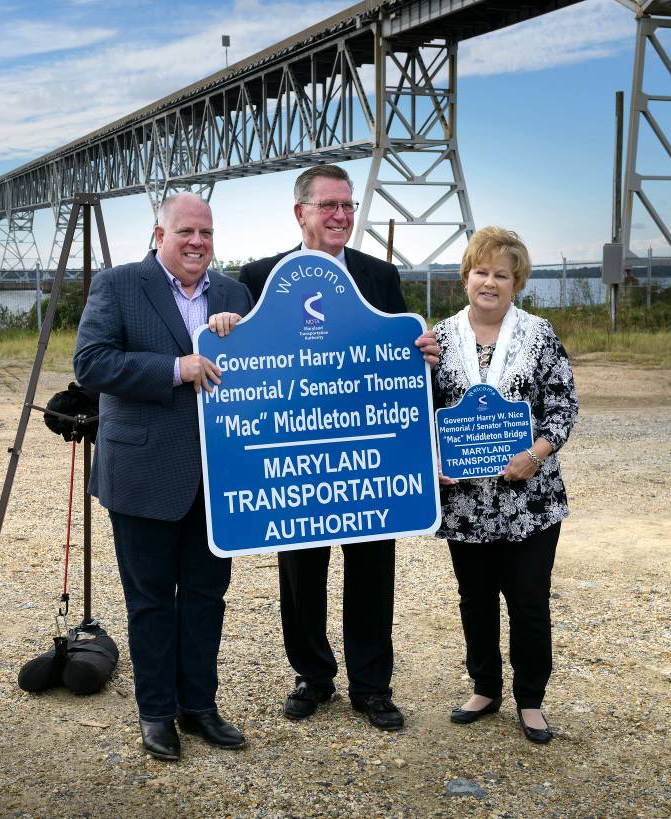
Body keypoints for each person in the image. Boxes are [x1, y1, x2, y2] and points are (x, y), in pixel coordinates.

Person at [238, 164, 439, 731]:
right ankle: (313, 675)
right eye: (329, 205)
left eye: (348, 206)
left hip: (367, 453)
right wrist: (226, 323)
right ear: (300, 212)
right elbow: (234, 351)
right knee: (300, 574)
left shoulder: (380, 276)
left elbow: (402, 355)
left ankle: (372, 687)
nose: (341, 216)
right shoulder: (258, 277)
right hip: (294, 456)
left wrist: (420, 355)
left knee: (372, 571)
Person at [74, 193, 253, 761]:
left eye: (206, 232)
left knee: (207, 598)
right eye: (186, 233)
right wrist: (177, 369)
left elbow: (259, 368)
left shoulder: (234, 294)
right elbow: (92, 363)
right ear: (160, 235)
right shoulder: (118, 284)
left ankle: (199, 706)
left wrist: (238, 334)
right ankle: (156, 714)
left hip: (216, 478)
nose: (198, 242)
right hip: (143, 473)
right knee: (150, 601)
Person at [431, 226, 578, 744]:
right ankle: (485, 687)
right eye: (480, 271)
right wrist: (433, 460)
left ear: (517, 283)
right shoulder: (437, 338)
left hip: (529, 499)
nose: (489, 281)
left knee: (529, 600)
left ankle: (531, 699)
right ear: (465, 277)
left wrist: (535, 455)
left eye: (501, 274)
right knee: (475, 599)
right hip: (464, 500)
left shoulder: (540, 334)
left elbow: (563, 406)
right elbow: (416, 411)